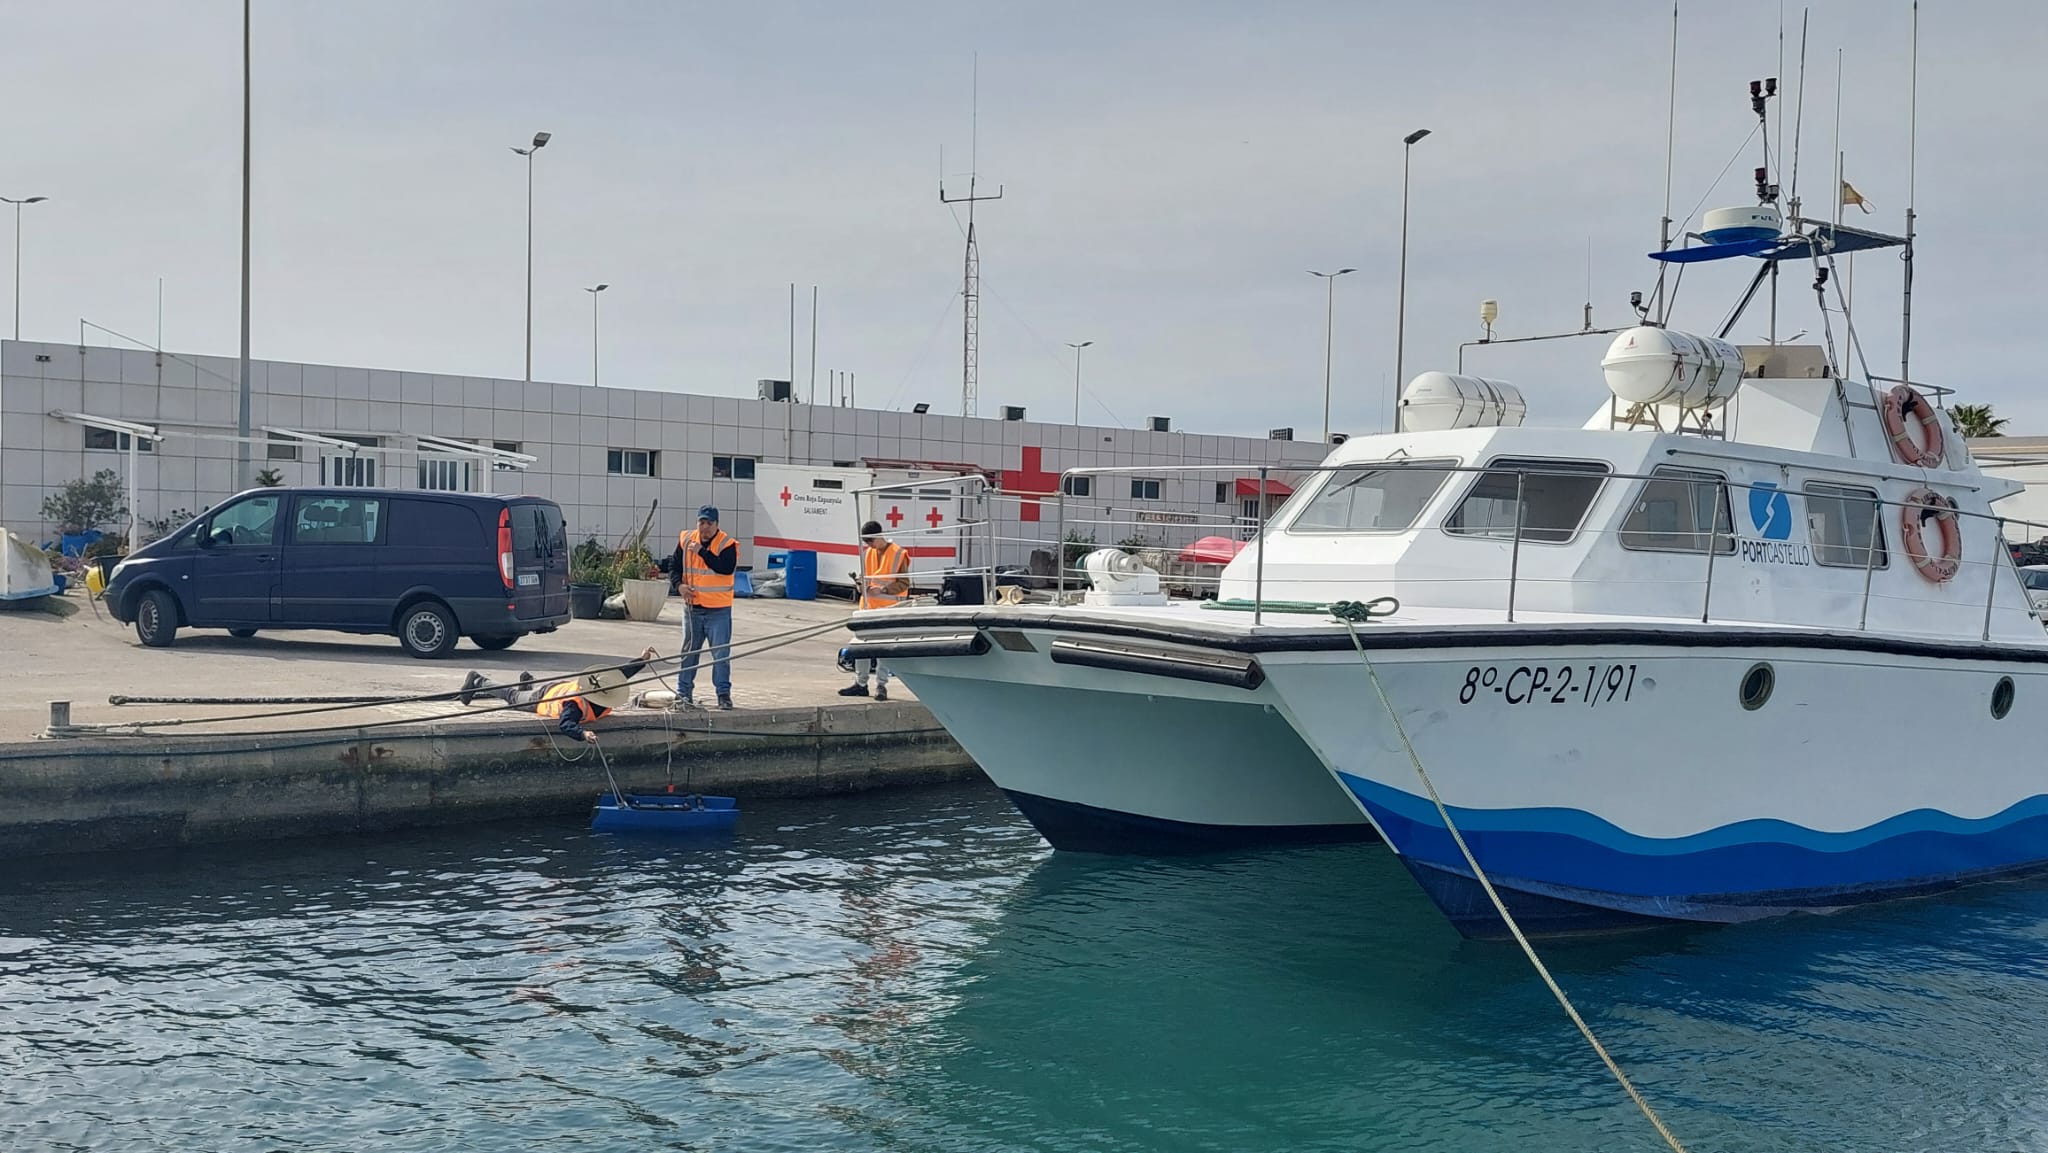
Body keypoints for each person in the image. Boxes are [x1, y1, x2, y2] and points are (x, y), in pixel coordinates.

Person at [458, 646, 659, 744]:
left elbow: (622, 673)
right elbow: (565, 724)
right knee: (512, 698)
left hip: (559, 687)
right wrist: (583, 734)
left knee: (520, 695)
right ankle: (478, 680)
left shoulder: (605, 685)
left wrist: (642, 659)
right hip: (544, 699)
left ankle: (526, 684)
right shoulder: (575, 705)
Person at [673, 505, 739, 710]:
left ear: (717, 525)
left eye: (709, 523)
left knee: (720, 655)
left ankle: (723, 694)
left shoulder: (726, 544)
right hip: (693, 607)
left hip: (718, 610)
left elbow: (725, 567)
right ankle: (683, 694)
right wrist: (679, 586)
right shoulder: (686, 540)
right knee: (689, 652)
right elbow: (673, 566)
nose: (705, 527)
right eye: (702, 522)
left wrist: (702, 551)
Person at [840, 519, 910, 701]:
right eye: (866, 542)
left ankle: (881, 686)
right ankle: (860, 684)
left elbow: (904, 583)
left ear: (879, 536)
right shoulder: (868, 553)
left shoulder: (898, 554)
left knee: (882, 650)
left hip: (889, 608)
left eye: (870, 541)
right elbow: (867, 576)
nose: (868, 545)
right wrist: (860, 586)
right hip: (868, 607)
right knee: (861, 646)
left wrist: (884, 590)